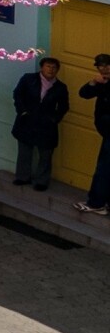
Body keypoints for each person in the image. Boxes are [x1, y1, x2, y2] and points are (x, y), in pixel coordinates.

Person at [12, 56, 70, 191]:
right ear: (42, 67)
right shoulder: (28, 79)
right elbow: (18, 94)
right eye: (48, 66)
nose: (51, 69)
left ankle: (41, 181)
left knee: (45, 154)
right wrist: (23, 112)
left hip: (46, 125)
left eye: (54, 67)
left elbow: (63, 106)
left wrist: (54, 119)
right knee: (25, 150)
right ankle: (22, 177)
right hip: (27, 121)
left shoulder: (60, 87)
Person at [75, 53, 110, 216]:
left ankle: (96, 203)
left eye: (107, 66)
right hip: (106, 130)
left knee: (104, 168)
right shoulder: (102, 81)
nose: (104, 69)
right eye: (100, 66)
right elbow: (83, 94)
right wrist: (94, 82)